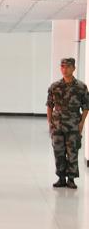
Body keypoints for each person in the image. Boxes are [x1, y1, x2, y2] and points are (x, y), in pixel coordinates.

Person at [47, 57, 88, 190]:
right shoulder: (54, 86)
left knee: (72, 152)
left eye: (68, 67)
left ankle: (71, 179)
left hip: (73, 125)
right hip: (57, 125)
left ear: (74, 68)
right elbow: (49, 105)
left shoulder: (81, 87)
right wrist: (50, 123)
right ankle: (61, 178)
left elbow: (86, 107)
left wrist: (81, 123)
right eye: (62, 66)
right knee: (58, 152)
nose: (65, 69)